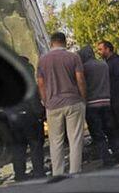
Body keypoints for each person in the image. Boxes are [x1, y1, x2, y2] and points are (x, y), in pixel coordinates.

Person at [37, 32, 86, 176]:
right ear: (64, 43)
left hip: (53, 105)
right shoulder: (73, 57)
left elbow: (40, 84)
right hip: (73, 101)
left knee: (56, 141)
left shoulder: (42, 61)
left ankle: (57, 173)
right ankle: (75, 172)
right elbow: (80, 79)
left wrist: (46, 101)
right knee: (75, 138)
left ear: (51, 43)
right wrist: (83, 98)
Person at [78, 45, 119, 166]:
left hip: (92, 104)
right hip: (106, 102)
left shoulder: (84, 68)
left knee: (97, 134)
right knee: (111, 130)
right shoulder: (103, 64)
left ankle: (106, 158)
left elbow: (82, 84)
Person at [4, 57, 45, 181]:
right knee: (35, 145)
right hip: (29, 117)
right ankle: (38, 172)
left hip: (13, 118)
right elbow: (33, 99)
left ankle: (20, 174)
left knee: (18, 147)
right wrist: (40, 114)